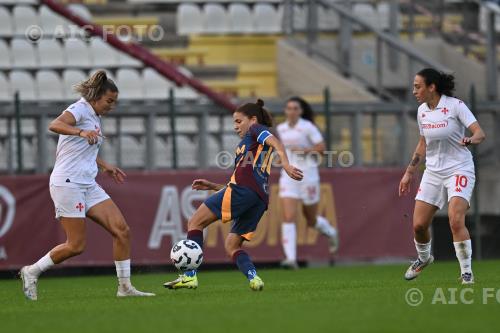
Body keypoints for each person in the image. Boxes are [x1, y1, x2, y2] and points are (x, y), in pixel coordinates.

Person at [19, 70, 155, 300]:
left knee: (122, 231)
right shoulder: (80, 109)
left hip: (87, 183)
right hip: (67, 183)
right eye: (109, 101)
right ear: (96, 97)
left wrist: (104, 165)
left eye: (114, 102)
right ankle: (31, 271)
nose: (111, 106)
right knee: (76, 245)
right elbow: (55, 124)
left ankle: (124, 287)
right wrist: (80, 131)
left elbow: (82, 149)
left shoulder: (94, 116)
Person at [163, 99, 303, 291]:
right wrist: (213, 186)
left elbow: (276, 141)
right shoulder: (248, 146)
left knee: (195, 222)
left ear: (252, 120)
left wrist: (286, 165)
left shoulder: (255, 130)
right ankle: (254, 279)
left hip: (244, 192)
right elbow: (242, 181)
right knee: (232, 246)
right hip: (258, 199)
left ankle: (189, 276)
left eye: (238, 121)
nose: (235, 126)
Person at [399, 68, 485, 284]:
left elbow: (479, 133)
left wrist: (470, 140)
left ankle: (466, 272)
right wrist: (410, 172)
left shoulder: (455, 106)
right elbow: (422, 143)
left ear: (432, 87)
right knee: (418, 225)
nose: (414, 91)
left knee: (455, 219)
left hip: (459, 167)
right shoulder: (422, 111)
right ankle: (424, 258)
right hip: (433, 171)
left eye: (418, 86)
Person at [277, 97, 339, 269]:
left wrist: (305, 151)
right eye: (289, 108)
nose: (291, 111)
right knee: (288, 216)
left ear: (301, 111)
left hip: (308, 176)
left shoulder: (308, 127)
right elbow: (281, 149)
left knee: (310, 220)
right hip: (288, 176)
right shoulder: (281, 128)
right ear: (285, 111)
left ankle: (330, 232)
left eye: (295, 108)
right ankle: (291, 259)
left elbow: (321, 148)